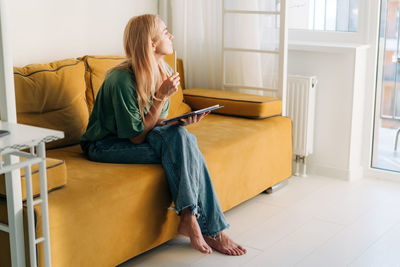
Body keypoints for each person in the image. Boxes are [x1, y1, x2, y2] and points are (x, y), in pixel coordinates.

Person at [80, 14, 247, 256]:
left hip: (139, 135)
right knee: (186, 145)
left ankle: (189, 217)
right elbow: (136, 137)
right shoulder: (120, 80)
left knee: (182, 137)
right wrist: (161, 97)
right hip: (105, 145)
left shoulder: (165, 70)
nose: (171, 35)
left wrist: (182, 120)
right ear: (151, 44)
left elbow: (156, 124)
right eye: (166, 31)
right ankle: (212, 230)